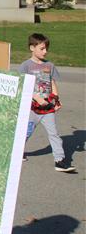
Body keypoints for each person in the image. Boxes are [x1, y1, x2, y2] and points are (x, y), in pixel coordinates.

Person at [21, 33, 76, 172]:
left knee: (54, 134)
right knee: (26, 133)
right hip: (32, 109)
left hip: (47, 109)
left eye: (46, 49)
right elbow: (22, 86)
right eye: (42, 48)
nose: (45, 51)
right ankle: (17, 153)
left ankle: (60, 160)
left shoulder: (49, 65)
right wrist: (36, 98)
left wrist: (56, 99)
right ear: (32, 48)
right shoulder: (26, 66)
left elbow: (52, 82)